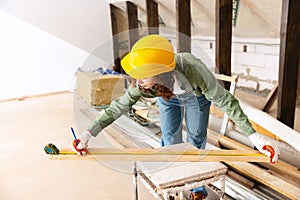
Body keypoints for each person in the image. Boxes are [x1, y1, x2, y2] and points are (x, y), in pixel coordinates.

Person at [72, 34, 280, 200]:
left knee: (196, 140)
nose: (138, 81)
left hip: (196, 97)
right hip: (167, 96)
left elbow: (226, 101)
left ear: (160, 72)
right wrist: (89, 132)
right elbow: (118, 107)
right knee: (170, 139)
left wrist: (255, 137)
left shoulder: (194, 70)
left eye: (143, 76)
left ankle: (197, 188)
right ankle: (173, 184)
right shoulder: (145, 86)